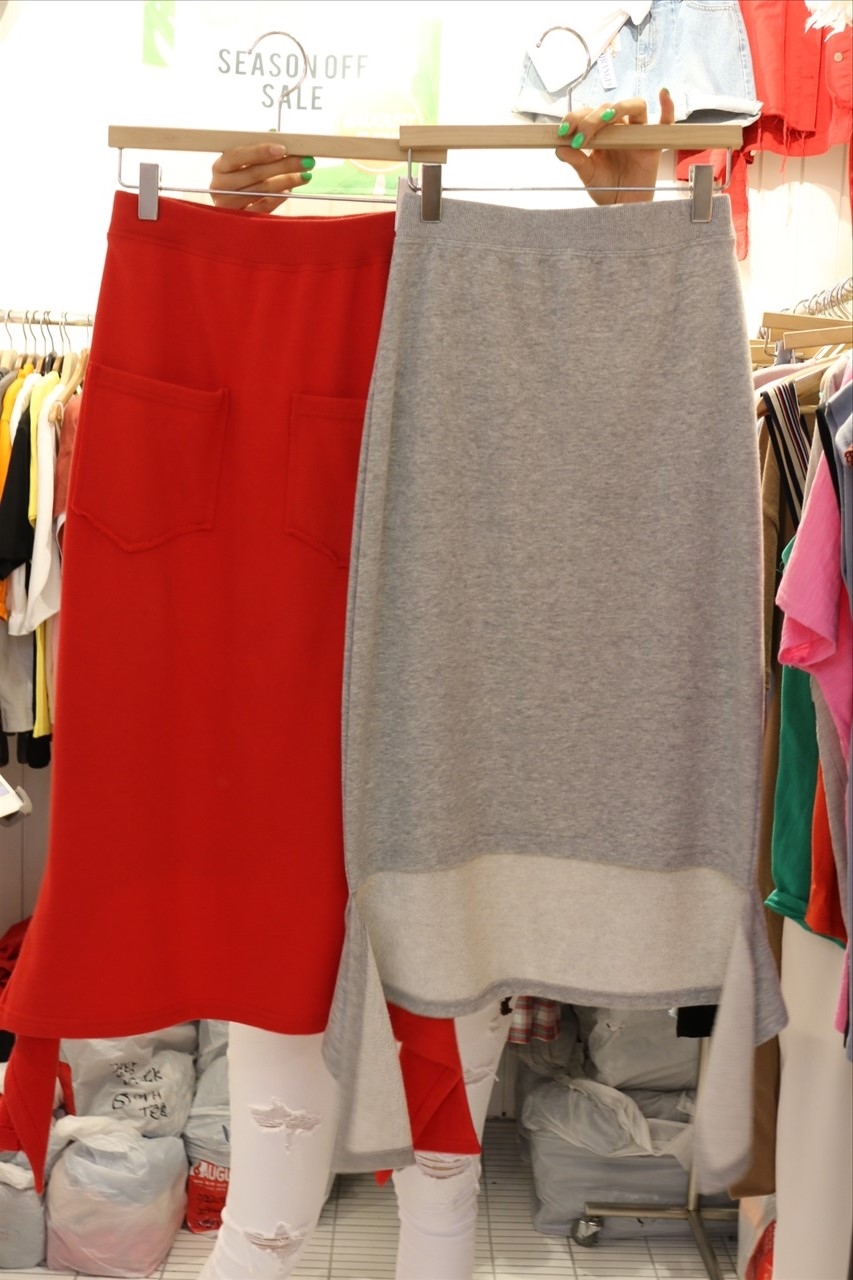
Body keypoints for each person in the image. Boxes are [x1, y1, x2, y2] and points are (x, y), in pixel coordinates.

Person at [192, 91, 674, 1280]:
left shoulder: (497, 412)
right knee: (278, 1197)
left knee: (435, 1186)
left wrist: (625, 215)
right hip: (299, 808)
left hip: (450, 814)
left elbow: (627, 441)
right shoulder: (304, 384)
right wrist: (222, 243)